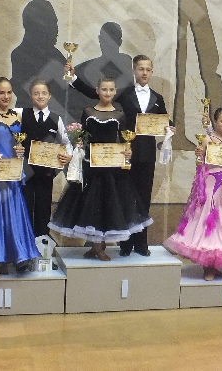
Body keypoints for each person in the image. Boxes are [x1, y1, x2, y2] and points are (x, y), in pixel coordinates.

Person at [68, 55, 174, 257]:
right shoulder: (124, 94)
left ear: (151, 72)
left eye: (148, 69)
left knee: (144, 199)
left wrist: (170, 129)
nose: (144, 73)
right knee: (125, 199)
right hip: (124, 155)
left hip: (147, 155)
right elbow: (96, 94)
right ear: (134, 71)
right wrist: (73, 79)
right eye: (141, 69)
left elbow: (164, 121)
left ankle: (141, 244)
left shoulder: (158, 98)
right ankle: (125, 244)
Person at [48, 77, 152, 260]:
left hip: (112, 169)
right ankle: (96, 246)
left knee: (107, 204)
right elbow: (83, 137)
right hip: (92, 166)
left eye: (111, 90)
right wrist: (79, 147)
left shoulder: (119, 115)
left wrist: (128, 151)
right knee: (90, 205)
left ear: (115, 92)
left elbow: (124, 140)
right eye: (104, 89)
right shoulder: (88, 112)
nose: (107, 93)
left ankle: (100, 247)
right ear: (97, 91)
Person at [0, 79, 72, 237]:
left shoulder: (56, 119)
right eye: (36, 93)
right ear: (30, 96)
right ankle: (26, 243)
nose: (40, 96)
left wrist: (68, 155)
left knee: (44, 209)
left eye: (44, 93)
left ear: (50, 95)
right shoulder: (20, 113)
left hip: (46, 173)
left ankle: (43, 245)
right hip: (24, 173)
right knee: (25, 210)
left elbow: (66, 142)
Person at [164, 107, 222, 281]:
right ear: (215, 121)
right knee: (209, 218)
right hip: (210, 182)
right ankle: (207, 266)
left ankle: (215, 264)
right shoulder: (207, 140)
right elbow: (200, 164)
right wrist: (199, 156)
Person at [0, 77, 40, 278]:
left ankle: (14, 256)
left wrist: (21, 150)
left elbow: (21, 143)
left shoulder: (17, 116)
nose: (6, 96)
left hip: (13, 174)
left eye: (9, 92)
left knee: (13, 215)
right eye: (1, 92)